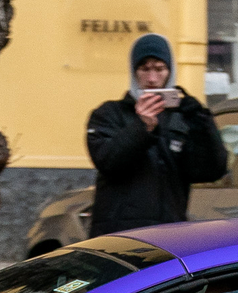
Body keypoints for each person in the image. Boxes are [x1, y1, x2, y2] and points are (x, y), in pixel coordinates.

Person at [86, 33, 227, 234]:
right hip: (119, 235)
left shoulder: (181, 116)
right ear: (134, 72)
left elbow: (211, 171)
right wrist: (142, 127)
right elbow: (107, 161)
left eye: (159, 69)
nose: (152, 79)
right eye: (145, 69)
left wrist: (203, 125)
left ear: (170, 71)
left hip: (168, 235)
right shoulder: (109, 114)